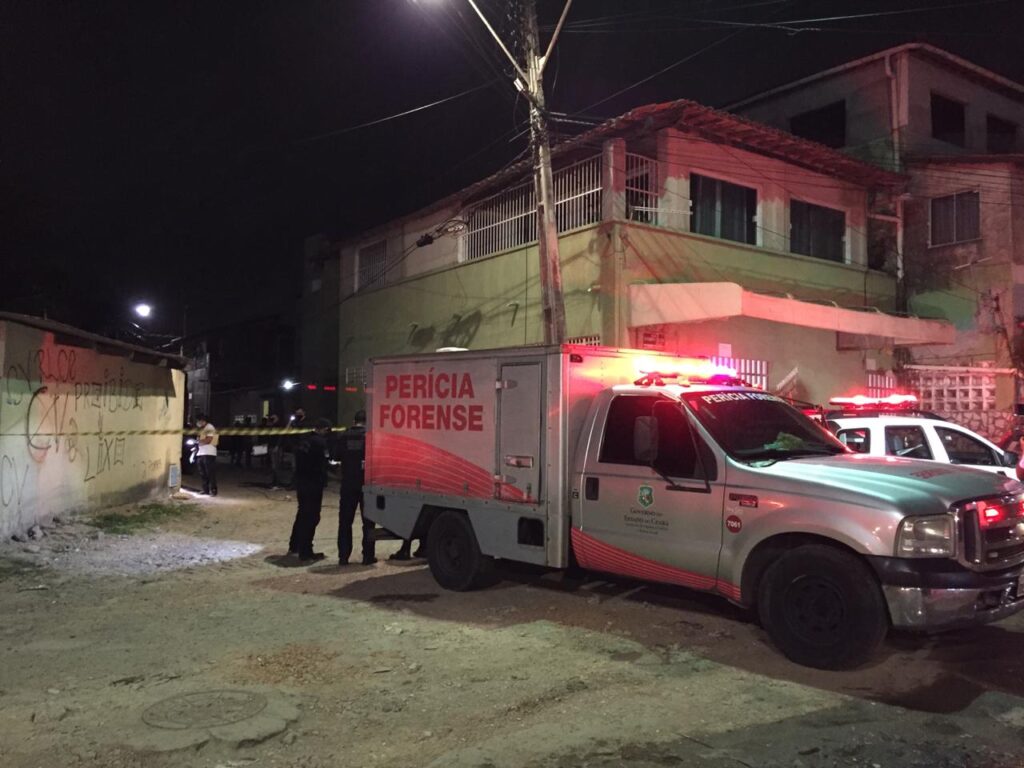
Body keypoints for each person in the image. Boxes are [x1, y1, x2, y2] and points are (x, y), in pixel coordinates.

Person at [287, 418, 332, 562]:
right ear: (324, 429)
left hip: (301, 481)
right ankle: (306, 551)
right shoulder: (320, 442)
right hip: (313, 483)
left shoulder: (305, 440)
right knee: (312, 516)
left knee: (302, 513)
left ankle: (294, 545)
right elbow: (324, 462)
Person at [338, 410, 375, 565]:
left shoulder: (343, 436)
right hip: (367, 485)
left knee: (345, 521)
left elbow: (335, 456)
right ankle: (368, 556)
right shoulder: (371, 436)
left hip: (347, 483)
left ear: (355, 421)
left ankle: (343, 556)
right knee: (368, 522)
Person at [195, 413, 219, 496]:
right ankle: (205, 490)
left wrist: (199, 442)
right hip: (201, 453)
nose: (198, 422)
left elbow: (209, 439)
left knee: (210, 472)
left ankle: (213, 490)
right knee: (203, 473)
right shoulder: (202, 428)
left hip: (209, 453)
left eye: (198, 421)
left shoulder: (210, 427)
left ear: (203, 421)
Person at [267, 413, 284, 488]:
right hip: (271, 446)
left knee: (276, 465)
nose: (272, 419)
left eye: (273, 418)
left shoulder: (279, 425)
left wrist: (277, 446)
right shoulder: (272, 426)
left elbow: (280, 437)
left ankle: (277, 483)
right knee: (273, 465)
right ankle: (274, 482)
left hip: (277, 447)